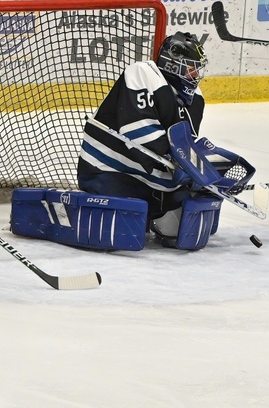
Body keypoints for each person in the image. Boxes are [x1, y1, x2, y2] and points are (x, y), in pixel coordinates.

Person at [78, 32, 254, 249]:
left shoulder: (196, 99)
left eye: (197, 69)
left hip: (151, 177)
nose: (195, 76)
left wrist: (204, 172)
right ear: (172, 66)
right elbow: (139, 134)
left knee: (179, 231)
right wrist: (187, 169)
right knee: (124, 233)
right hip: (110, 172)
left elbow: (183, 145)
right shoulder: (143, 74)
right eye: (190, 69)